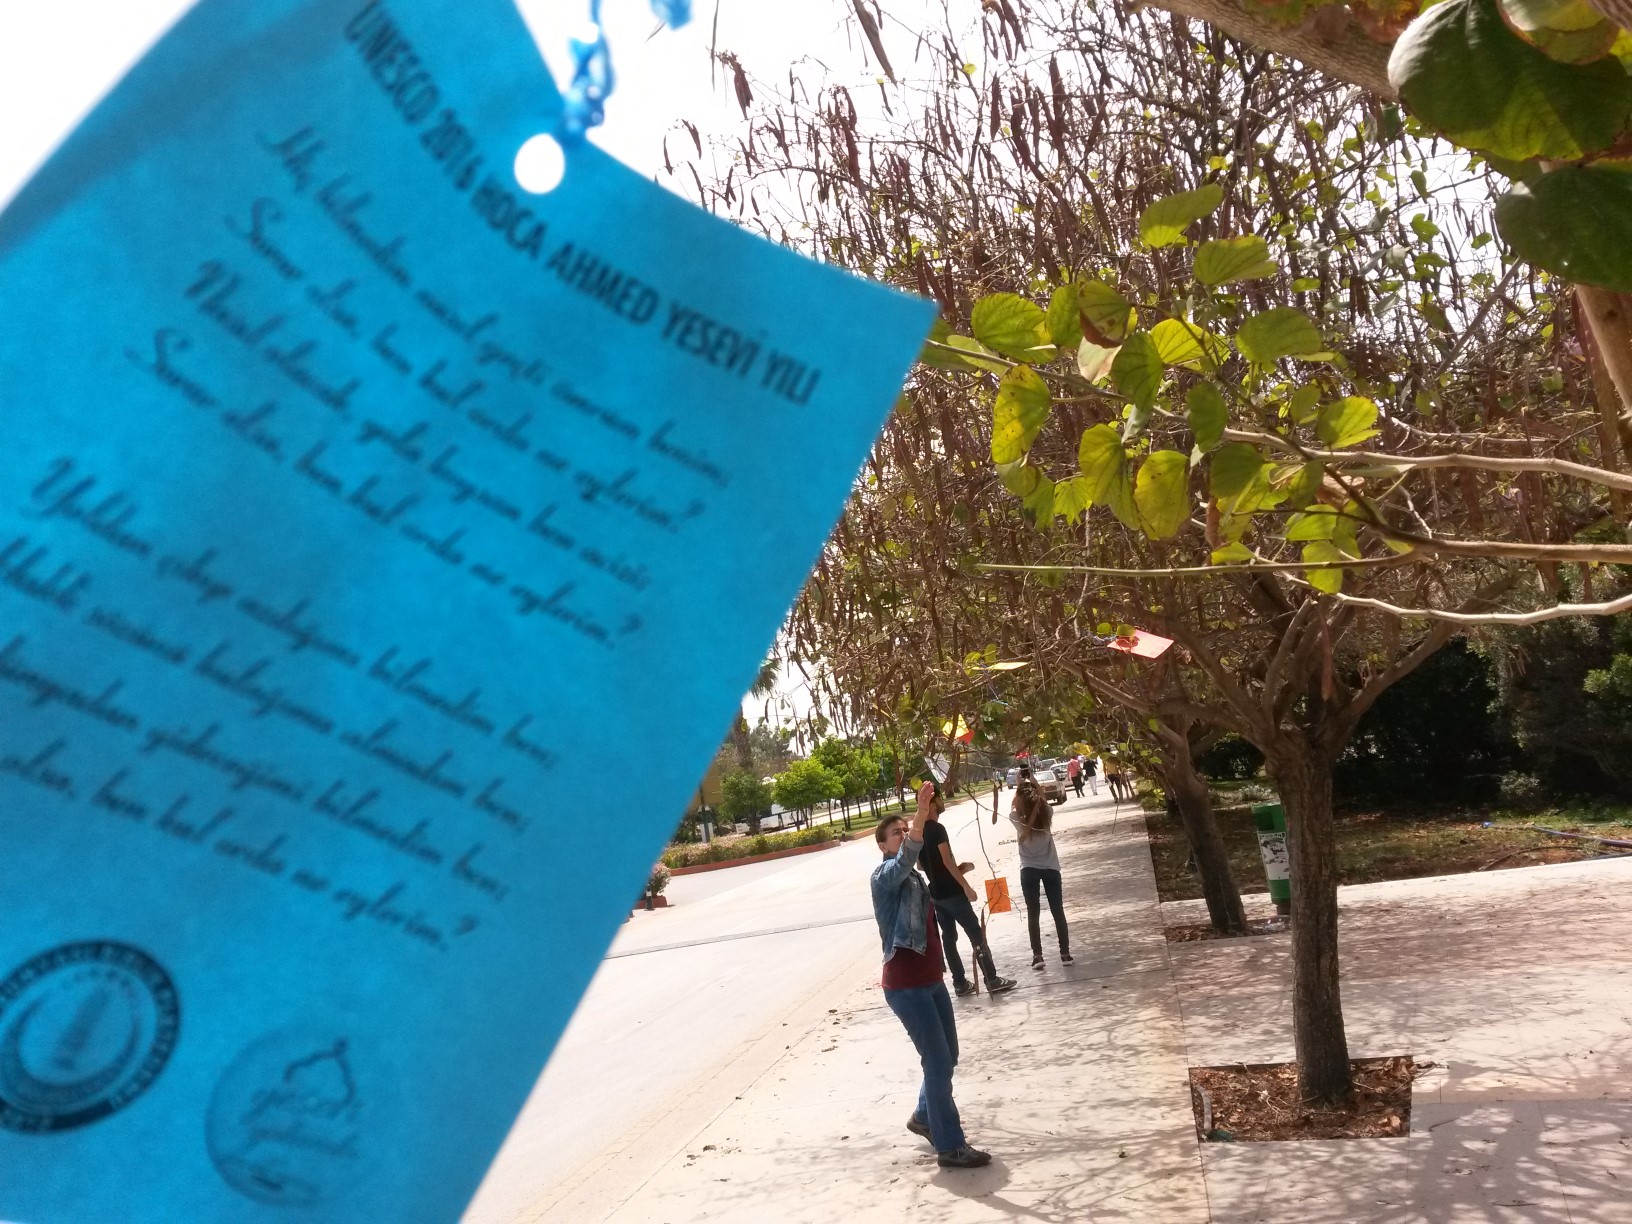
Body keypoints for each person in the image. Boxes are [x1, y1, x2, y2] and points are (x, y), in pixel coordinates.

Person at [870, 784, 993, 1169]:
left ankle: (924, 1116)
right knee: (937, 1061)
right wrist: (922, 814)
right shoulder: (884, 876)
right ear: (883, 846)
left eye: (905, 830)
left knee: (947, 1055)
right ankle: (950, 1147)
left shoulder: (915, 878)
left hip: (931, 981)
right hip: (906, 986)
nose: (904, 836)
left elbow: (926, 869)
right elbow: (906, 857)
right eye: (896, 833)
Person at [917, 781, 1017, 999]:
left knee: (949, 938)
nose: (942, 803)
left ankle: (960, 983)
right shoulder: (937, 829)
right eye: (939, 800)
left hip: (936, 895)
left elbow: (921, 865)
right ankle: (991, 979)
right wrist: (966, 886)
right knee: (975, 934)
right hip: (952, 893)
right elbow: (946, 861)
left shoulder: (918, 831)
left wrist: (958, 868)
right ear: (932, 804)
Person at [1010, 771, 1073, 970]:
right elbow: (1043, 800)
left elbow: (1014, 805)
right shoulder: (1046, 814)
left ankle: (1038, 957)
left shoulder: (1016, 818)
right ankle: (1065, 954)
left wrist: (1019, 785)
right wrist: (1033, 782)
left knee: (1033, 914)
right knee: (1058, 911)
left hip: (1028, 869)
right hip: (1051, 867)